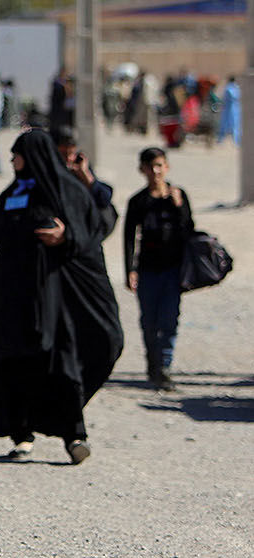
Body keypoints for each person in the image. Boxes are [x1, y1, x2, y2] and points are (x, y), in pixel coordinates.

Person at [0, 129, 123, 463]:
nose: (11, 160)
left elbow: (93, 231)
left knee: (60, 363)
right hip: (11, 296)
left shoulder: (66, 191)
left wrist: (67, 238)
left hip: (52, 296)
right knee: (16, 363)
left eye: (16, 154)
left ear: (33, 155)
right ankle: (21, 433)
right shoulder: (14, 192)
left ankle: (74, 435)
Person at [124, 147, 195, 391]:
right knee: (149, 321)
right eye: (150, 167)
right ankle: (153, 363)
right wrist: (129, 270)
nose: (156, 171)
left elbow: (189, 231)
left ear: (167, 167)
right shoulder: (138, 201)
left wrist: (179, 207)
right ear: (142, 170)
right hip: (147, 269)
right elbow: (129, 238)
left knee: (169, 319)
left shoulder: (179, 196)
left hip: (173, 270)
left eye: (160, 165)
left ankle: (164, 366)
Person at [217, 76, 241, 146]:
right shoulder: (232, 87)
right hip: (230, 109)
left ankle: (235, 141)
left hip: (231, 109)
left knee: (233, 126)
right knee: (231, 126)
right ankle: (222, 140)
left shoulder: (231, 87)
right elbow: (235, 96)